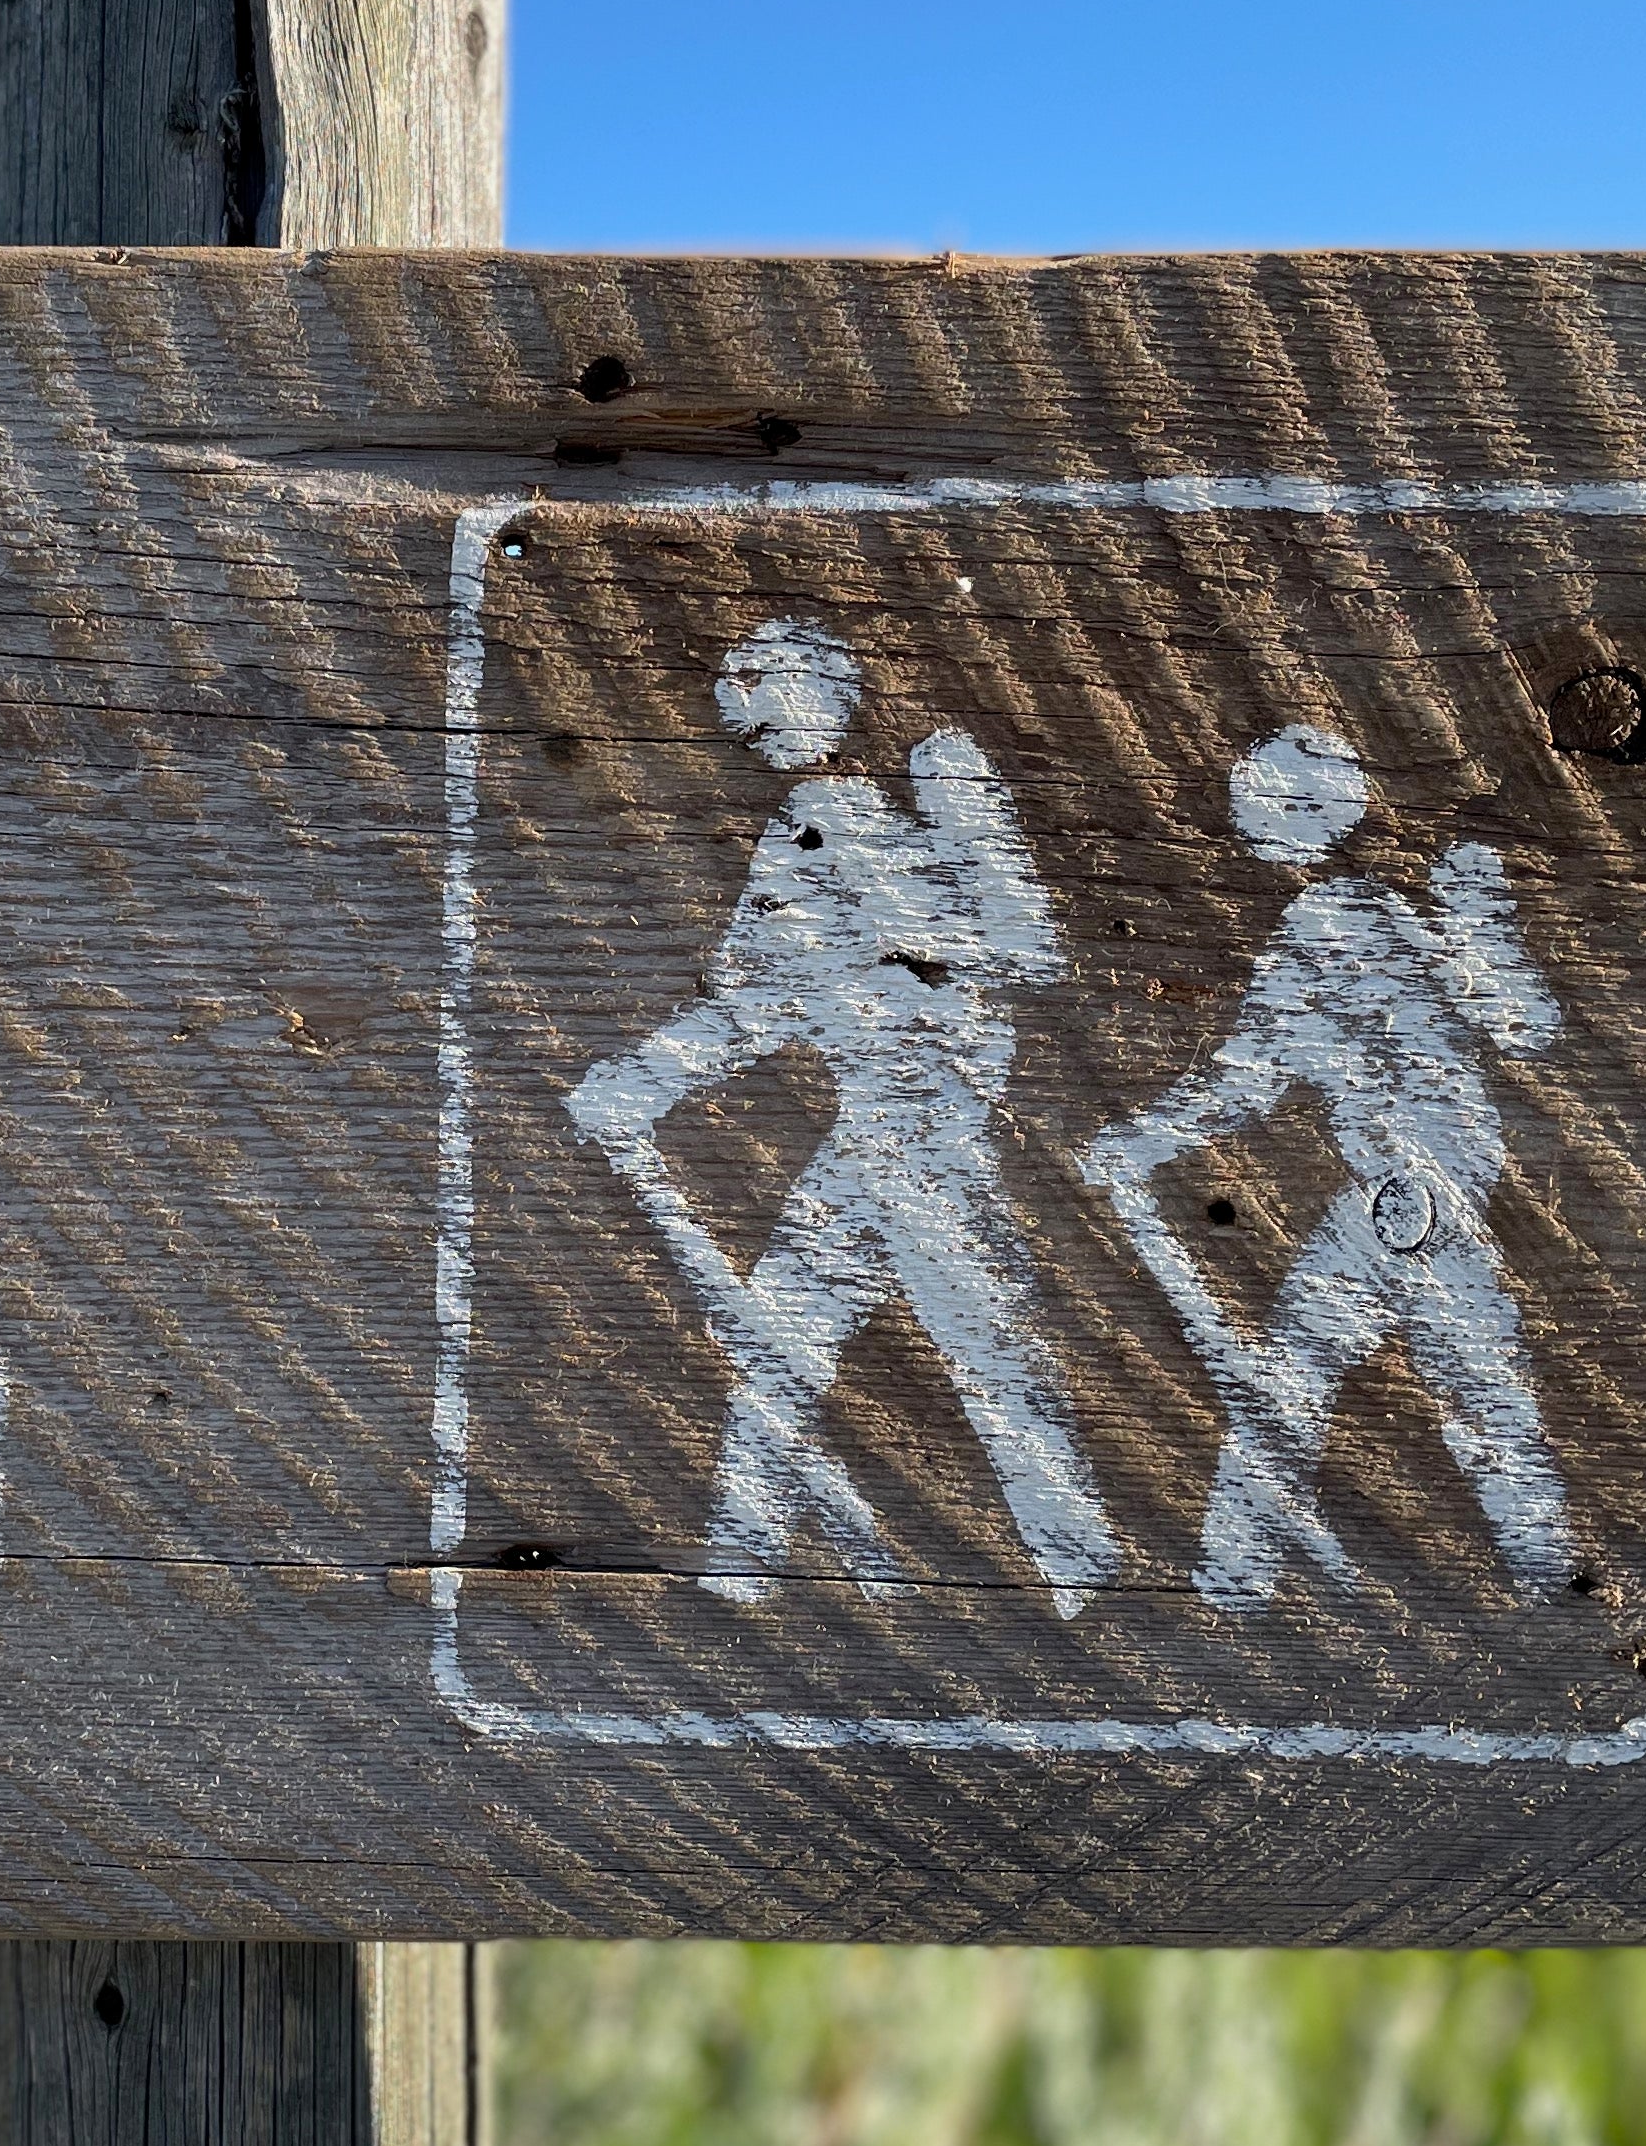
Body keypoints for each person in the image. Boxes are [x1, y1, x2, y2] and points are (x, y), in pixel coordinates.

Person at [568, 617, 1120, 1613]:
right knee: (801, 1345)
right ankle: (746, 1575)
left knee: (981, 1364)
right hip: (884, 1136)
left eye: (761, 695)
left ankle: (1082, 1576)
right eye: (739, 716)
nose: (749, 729)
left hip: (928, 1142)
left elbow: (1002, 953)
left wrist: (648, 1081)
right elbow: (760, 997)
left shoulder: (893, 799)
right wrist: (642, 1084)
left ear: (827, 683)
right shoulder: (828, 818)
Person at [1077, 722, 1572, 1611]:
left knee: (1333, 1374)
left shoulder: (1337, 919)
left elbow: (1250, 1075)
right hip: (1419, 1183)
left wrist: (1140, 1142)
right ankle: (1533, 1570)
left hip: (1411, 1191)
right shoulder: (1377, 909)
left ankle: (1239, 1579)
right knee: (1431, 1384)